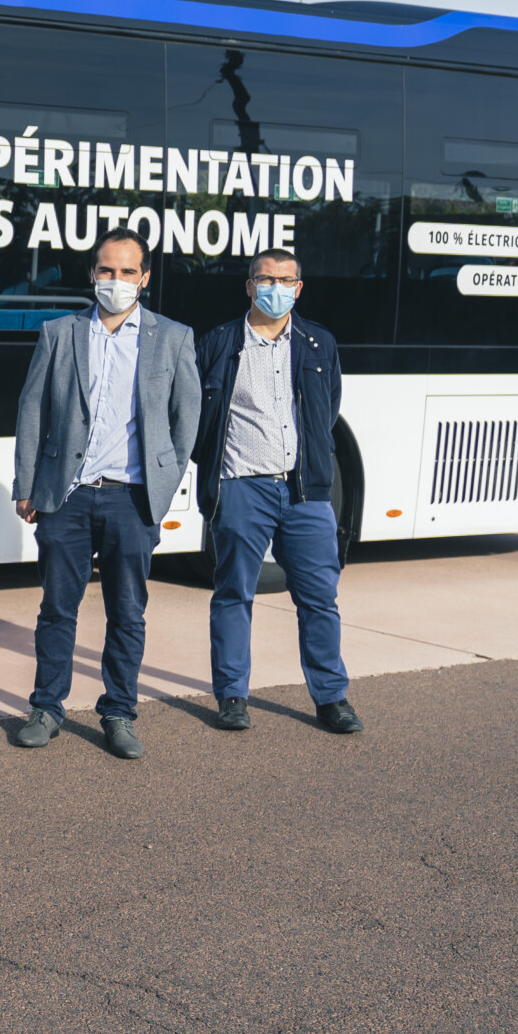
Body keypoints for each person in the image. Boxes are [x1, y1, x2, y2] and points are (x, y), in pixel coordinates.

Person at [10, 227, 200, 760]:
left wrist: (162, 485)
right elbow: (32, 410)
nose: (115, 281)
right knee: (56, 610)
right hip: (66, 497)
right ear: (92, 274)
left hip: (131, 498)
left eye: (126, 272)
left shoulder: (173, 337)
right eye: (106, 271)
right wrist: (27, 485)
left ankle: (118, 712)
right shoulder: (59, 333)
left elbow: (188, 419)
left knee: (127, 613)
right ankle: (47, 707)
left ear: (144, 278)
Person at [193, 250, 363, 735]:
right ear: (249, 286)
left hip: (305, 492)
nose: (276, 288)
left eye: (286, 280)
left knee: (319, 599)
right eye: (266, 279)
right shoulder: (219, 343)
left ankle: (331, 698)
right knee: (232, 594)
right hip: (241, 487)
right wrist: (218, 473)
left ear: (299, 287)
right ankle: (231, 696)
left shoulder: (318, 343)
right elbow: (201, 421)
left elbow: (326, 413)